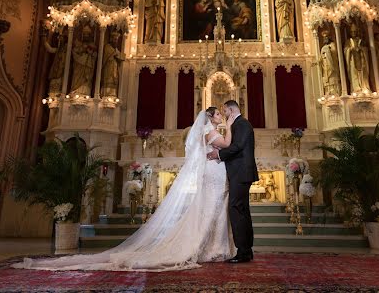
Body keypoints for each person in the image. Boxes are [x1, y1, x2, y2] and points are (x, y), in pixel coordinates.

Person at [14, 107, 236, 272]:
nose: (220, 117)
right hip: (211, 174)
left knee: (213, 210)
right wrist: (232, 125)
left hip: (214, 172)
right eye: (218, 115)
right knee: (209, 209)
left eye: (221, 115)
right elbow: (226, 145)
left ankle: (213, 246)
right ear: (209, 117)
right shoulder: (209, 131)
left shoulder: (210, 130)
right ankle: (207, 247)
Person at [208, 100, 258, 263]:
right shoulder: (239, 124)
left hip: (241, 173)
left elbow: (237, 146)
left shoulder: (242, 124)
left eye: (224, 111)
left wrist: (219, 155)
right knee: (241, 210)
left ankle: (243, 251)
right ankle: (246, 250)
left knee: (236, 209)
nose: (223, 114)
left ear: (230, 110)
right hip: (240, 173)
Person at [70, 24, 97, 96]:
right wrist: (81, 50)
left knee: (86, 79)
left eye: (87, 34)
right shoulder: (79, 44)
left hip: (88, 65)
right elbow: (74, 52)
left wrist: (90, 53)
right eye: (85, 34)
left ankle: (85, 93)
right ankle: (75, 91)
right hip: (78, 65)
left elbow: (95, 55)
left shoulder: (92, 45)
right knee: (76, 77)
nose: (86, 36)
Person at [344, 22, 370, 93]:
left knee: (362, 74)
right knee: (354, 73)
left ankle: (364, 87)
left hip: (361, 59)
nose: (353, 33)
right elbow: (346, 50)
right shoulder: (348, 41)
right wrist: (350, 49)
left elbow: (366, 49)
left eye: (355, 32)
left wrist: (361, 48)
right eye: (352, 32)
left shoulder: (361, 40)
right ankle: (356, 88)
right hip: (352, 60)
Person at [101, 30, 125, 98]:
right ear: (111, 39)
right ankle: (106, 94)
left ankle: (112, 94)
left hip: (114, 67)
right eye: (114, 39)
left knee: (114, 80)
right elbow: (117, 55)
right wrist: (118, 55)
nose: (116, 41)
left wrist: (119, 55)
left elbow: (121, 57)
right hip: (108, 68)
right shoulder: (108, 47)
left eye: (117, 40)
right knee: (108, 79)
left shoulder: (115, 49)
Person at [319, 30, 341, 96]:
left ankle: (336, 92)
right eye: (324, 38)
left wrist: (328, 50)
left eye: (326, 37)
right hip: (325, 67)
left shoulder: (332, 45)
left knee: (333, 78)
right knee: (327, 80)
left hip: (332, 65)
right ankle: (328, 92)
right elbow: (321, 58)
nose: (325, 39)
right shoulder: (323, 47)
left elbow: (334, 53)